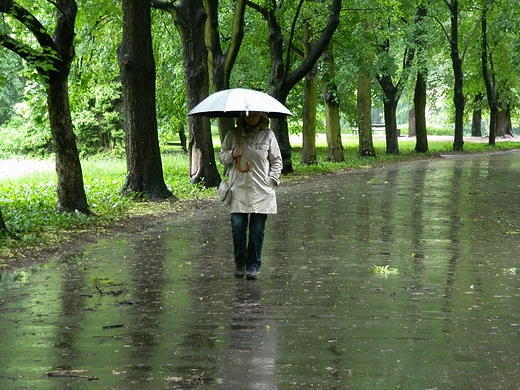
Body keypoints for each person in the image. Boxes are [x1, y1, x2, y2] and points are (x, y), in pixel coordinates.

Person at [219, 111, 283, 280]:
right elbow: (221, 156)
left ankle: (253, 266)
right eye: (248, 114)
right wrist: (232, 154)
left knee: (257, 230)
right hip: (238, 189)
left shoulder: (268, 135)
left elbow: (277, 161)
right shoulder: (233, 135)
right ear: (242, 116)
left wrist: (272, 180)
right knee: (238, 226)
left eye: (255, 115)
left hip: (261, 191)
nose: (251, 117)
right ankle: (240, 263)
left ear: (262, 117)